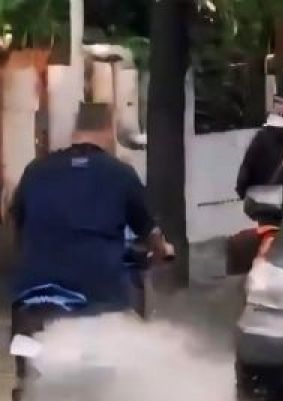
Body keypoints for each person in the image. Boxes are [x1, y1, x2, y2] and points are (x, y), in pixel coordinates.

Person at [7, 103, 173, 315]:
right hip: (100, 297)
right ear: (109, 131)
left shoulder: (34, 171)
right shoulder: (120, 174)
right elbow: (150, 233)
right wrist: (164, 250)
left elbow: (15, 227)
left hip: (34, 294)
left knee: (24, 337)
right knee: (126, 322)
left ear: (75, 132)